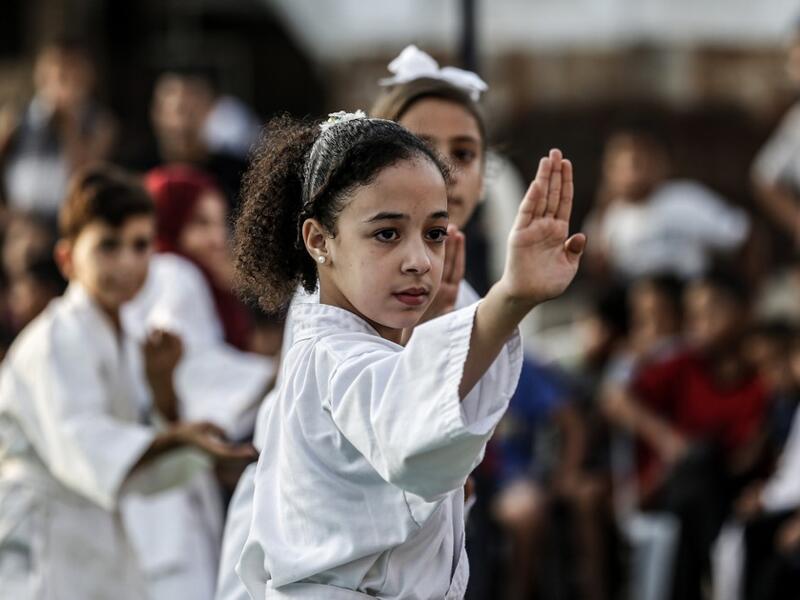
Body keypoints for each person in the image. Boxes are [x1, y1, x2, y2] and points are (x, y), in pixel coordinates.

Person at [227, 109, 583, 598]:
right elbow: (406, 416)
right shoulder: (329, 352)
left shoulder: (375, 347)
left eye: (434, 233)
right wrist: (511, 298)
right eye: (387, 234)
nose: (418, 261)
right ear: (318, 240)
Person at [0, 165, 255, 599]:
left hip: (98, 531)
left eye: (140, 246)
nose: (126, 263)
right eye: (107, 247)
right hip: (40, 537)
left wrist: (164, 391)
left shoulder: (131, 338)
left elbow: (142, 454)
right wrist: (176, 438)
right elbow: (84, 443)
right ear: (67, 258)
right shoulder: (54, 339)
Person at [0, 40, 117, 217]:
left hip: (68, 219)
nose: (64, 86)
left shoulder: (101, 124)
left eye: (74, 77)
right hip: (19, 221)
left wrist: (68, 126)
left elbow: (85, 179)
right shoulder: (14, 118)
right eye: (59, 76)